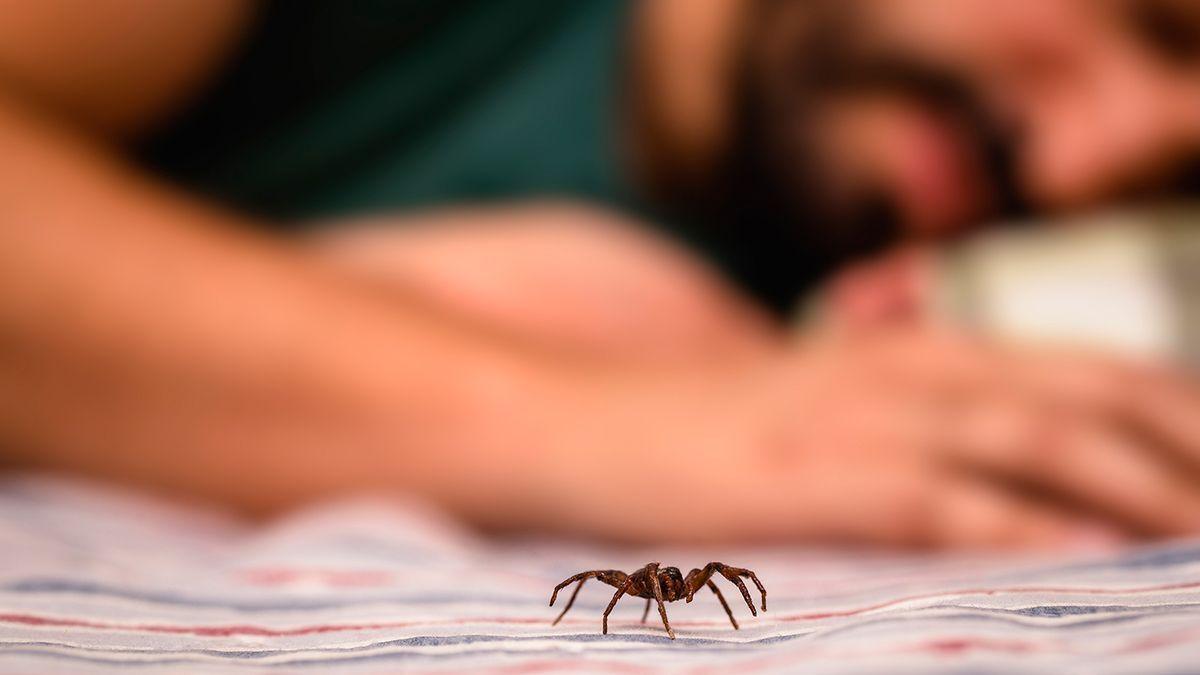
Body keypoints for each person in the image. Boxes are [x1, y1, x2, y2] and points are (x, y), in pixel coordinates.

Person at [2, 0, 1200, 548]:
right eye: (1154, 24)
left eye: (1173, 181)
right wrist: (599, 425)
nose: (1072, 166)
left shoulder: (824, 311)